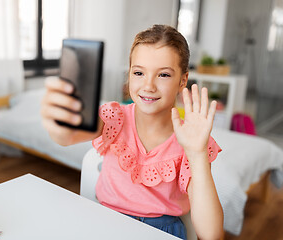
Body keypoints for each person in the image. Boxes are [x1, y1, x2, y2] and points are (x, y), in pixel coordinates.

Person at [41, 24, 224, 240]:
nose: (148, 86)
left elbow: (211, 235)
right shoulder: (114, 117)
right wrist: (59, 122)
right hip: (105, 224)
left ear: (182, 81)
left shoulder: (192, 140)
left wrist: (197, 154)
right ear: (129, 74)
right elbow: (68, 136)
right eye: (139, 72)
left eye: (163, 75)